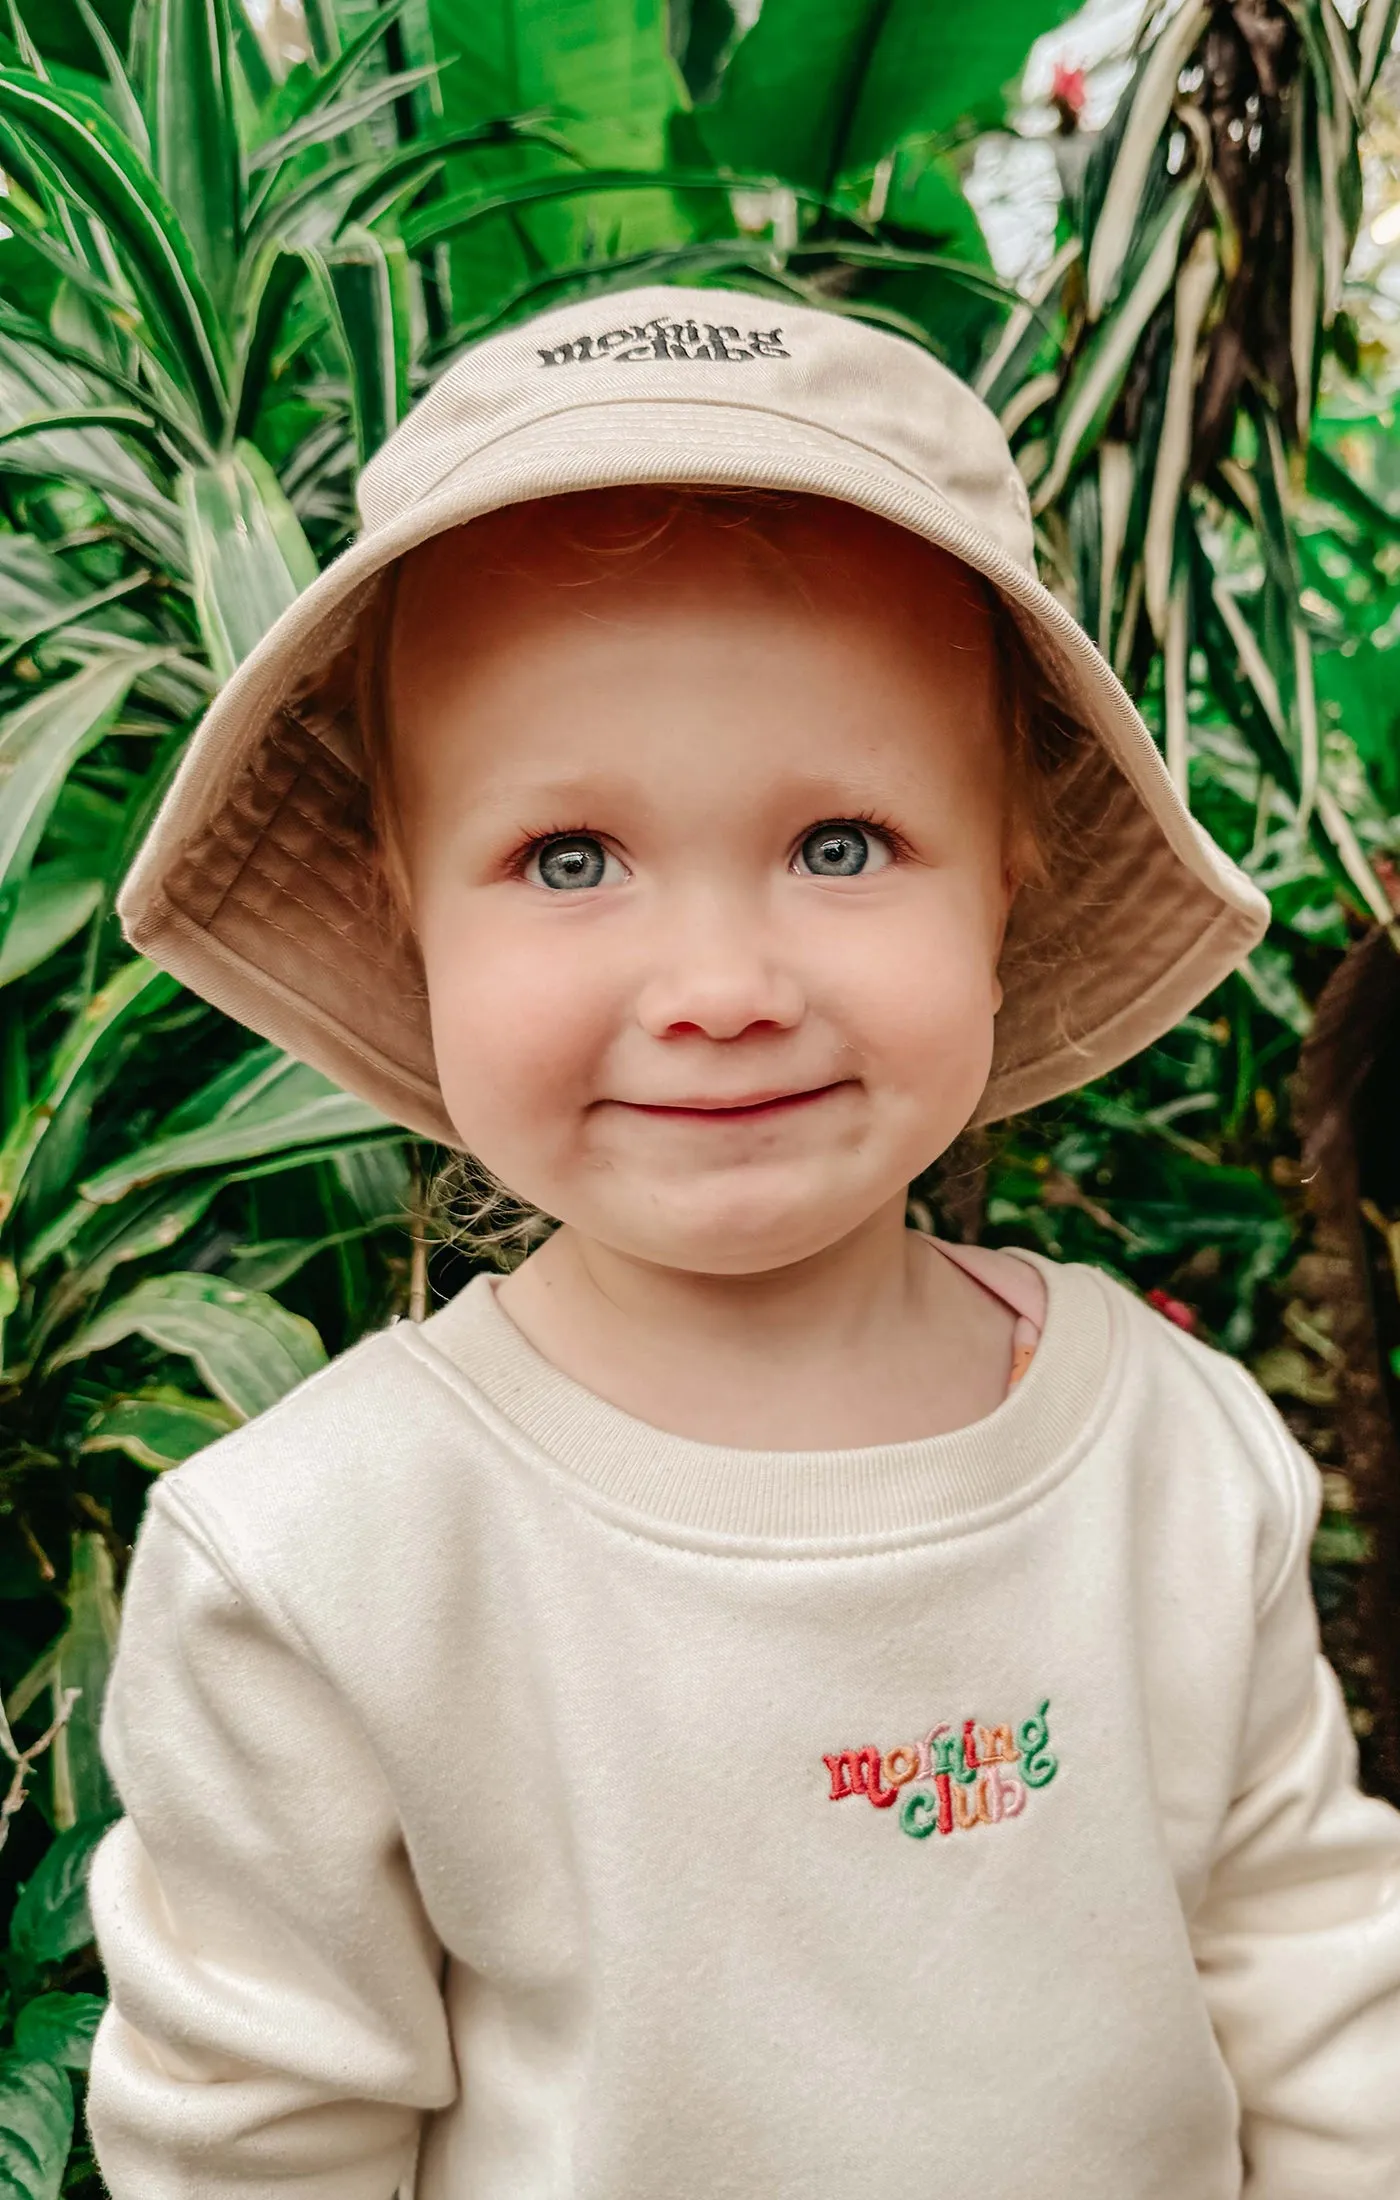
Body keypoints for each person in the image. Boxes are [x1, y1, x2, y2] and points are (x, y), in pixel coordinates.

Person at [86, 286, 1400, 2199]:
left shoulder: (1178, 1463)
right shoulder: (323, 1564)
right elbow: (256, 2146)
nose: (715, 988)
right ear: (403, 909)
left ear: (1012, 865)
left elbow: (1321, 1998)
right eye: (568, 860)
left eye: (843, 843)